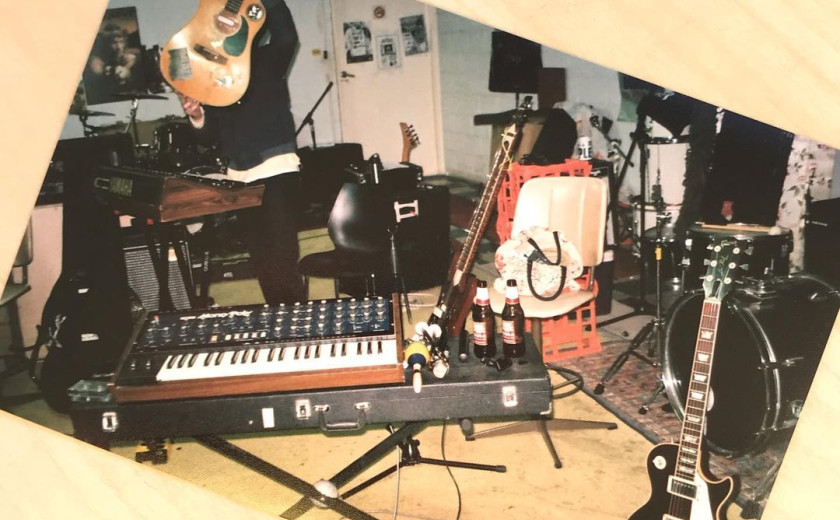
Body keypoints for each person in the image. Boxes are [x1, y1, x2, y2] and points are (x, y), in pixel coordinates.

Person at [179, 0, 305, 306]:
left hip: (276, 169)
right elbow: (209, 135)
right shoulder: (213, 74)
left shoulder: (267, 58)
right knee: (262, 261)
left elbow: (287, 35)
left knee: (283, 259)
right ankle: (278, 320)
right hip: (239, 177)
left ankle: (296, 322)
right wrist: (197, 115)